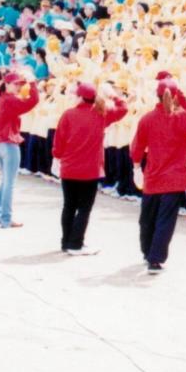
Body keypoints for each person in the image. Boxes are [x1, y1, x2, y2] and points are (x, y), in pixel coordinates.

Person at [130, 79, 186, 274]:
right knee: (165, 220)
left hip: (153, 176)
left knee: (147, 217)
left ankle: (146, 251)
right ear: (176, 97)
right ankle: (155, 259)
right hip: (174, 178)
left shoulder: (147, 119)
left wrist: (136, 167)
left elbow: (137, 147)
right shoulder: (182, 118)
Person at [51, 81, 127, 255]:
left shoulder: (68, 114)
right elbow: (123, 108)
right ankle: (76, 243)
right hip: (90, 170)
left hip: (69, 168)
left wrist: (56, 157)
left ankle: (66, 241)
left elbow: (58, 141)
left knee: (69, 206)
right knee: (84, 208)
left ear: (80, 97)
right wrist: (113, 95)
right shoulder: (101, 114)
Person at [0, 71, 40, 229]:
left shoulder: (2, 98)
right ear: (7, 84)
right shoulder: (9, 100)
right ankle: (6, 218)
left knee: (6, 182)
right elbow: (33, 101)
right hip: (8, 143)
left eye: (20, 84)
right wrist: (33, 84)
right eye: (16, 84)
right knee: (9, 183)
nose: (18, 86)